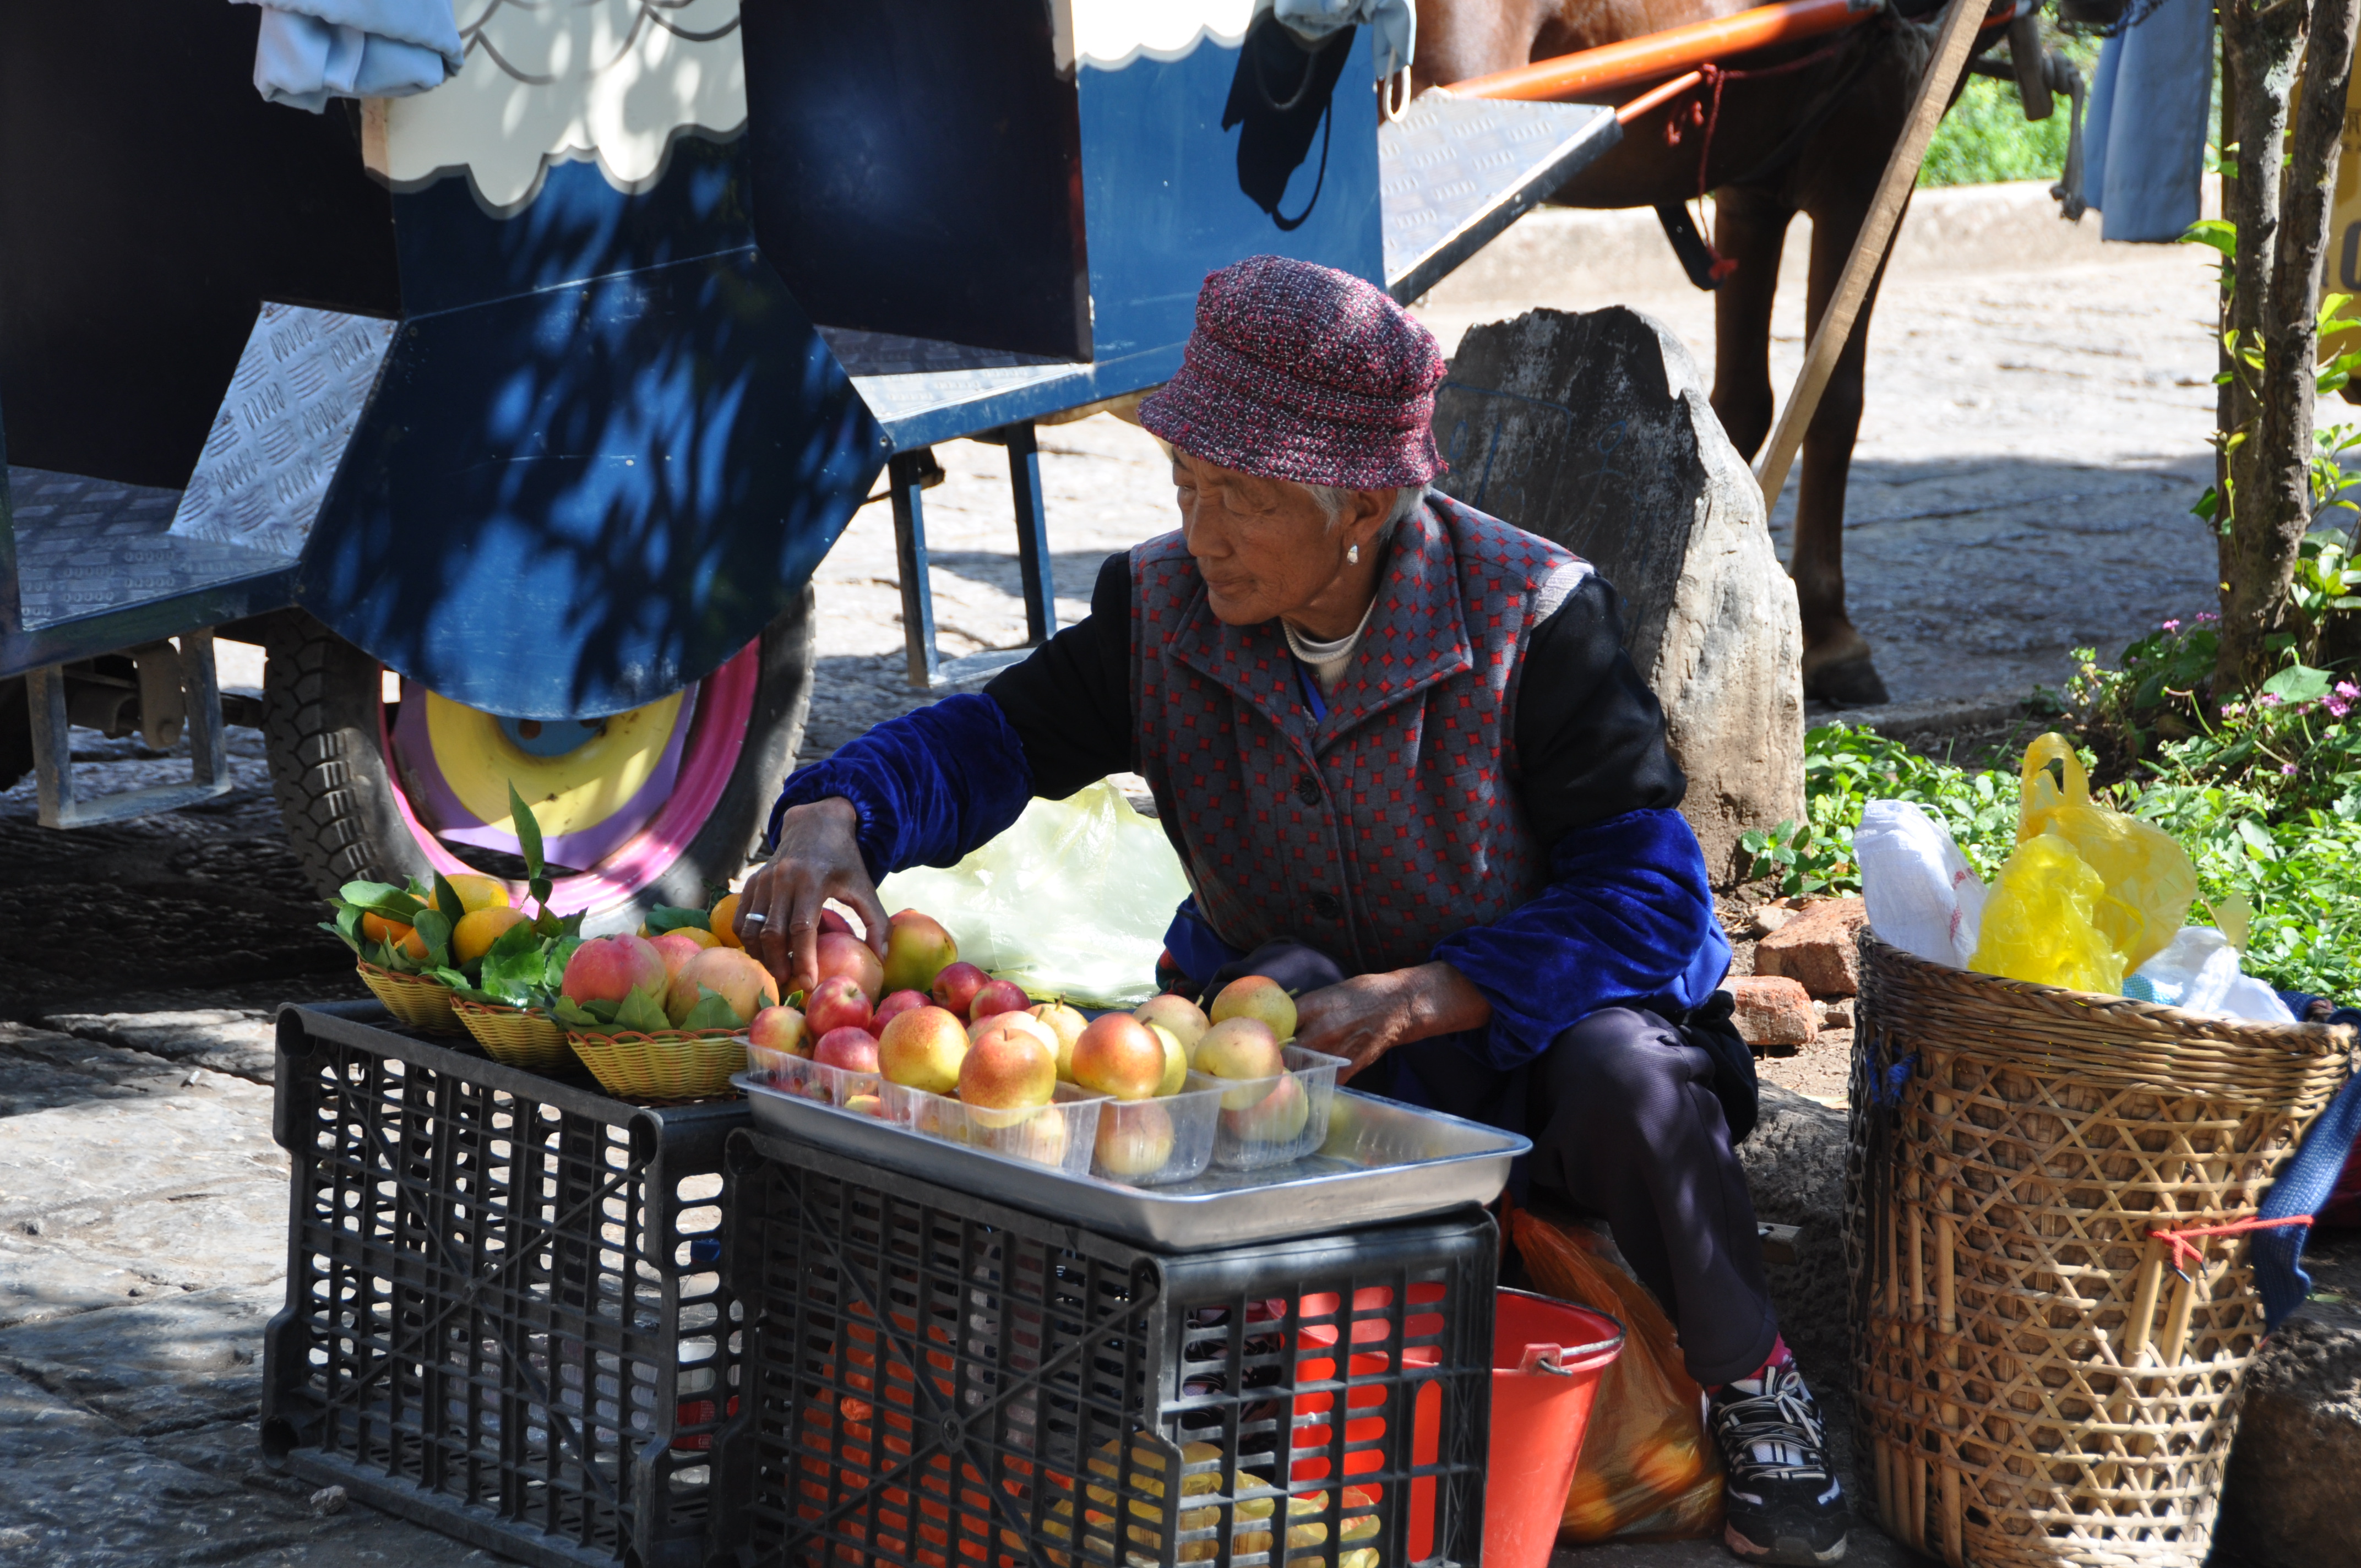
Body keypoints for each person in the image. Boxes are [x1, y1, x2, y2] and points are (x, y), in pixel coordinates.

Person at [737, 254, 1848, 1566]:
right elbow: (992, 741)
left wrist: (1436, 992)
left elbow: (1651, 895)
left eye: (1245, 501)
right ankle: (1251, 1383)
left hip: (1523, 1061)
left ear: (1366, 505)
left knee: (1632, 1074)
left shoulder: (1532, 621)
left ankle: (1749, 1376)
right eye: (1187, 487)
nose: (1203, 532)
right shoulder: (1159, 613)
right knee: (1272, 985)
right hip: (1307, 1060)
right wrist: (836, 812)